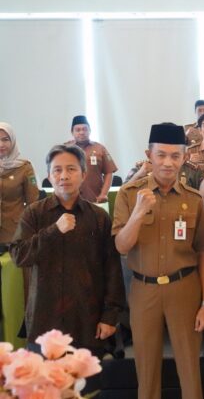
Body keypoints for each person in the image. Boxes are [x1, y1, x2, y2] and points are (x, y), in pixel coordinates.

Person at [113, 123, 204, 399]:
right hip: (143, 291)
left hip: (184, 289)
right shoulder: (129, 194)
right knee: (146, 370)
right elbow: (121, 246)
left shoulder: (193, 200)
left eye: (175, 156)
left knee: (190, 369)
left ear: (184, 158)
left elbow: (202, 253)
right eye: (161, 155)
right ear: (149, 155)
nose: (168, 162)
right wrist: (138, 213)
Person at [11, 144, 125, 355]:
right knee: (44, 377)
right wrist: (53, 231)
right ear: (49, 176)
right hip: (44, 321)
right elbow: (19, 256)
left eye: (71, 169)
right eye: (57, 170)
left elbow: (112, 270)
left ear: (83, 174)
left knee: (86, 377)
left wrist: (110, 317)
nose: (64, 175)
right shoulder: (34, 214)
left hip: (87, 321)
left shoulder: (98, 217)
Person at [0, 123, 39, 347]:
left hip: (14, 240)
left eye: (5, 139)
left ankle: (19, 347)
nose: (1, 144)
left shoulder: (24, 167)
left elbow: (33, 204)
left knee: (14, 297)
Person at [67, 115, 118, 203]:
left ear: (90, 130)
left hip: (94, 199)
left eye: (85, 129)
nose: (82, 132)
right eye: (78, 130)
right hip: (69, 201)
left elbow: (109, 172)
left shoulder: (100, 148)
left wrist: (103, 194)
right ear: (72, 132)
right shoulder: (65, 149)